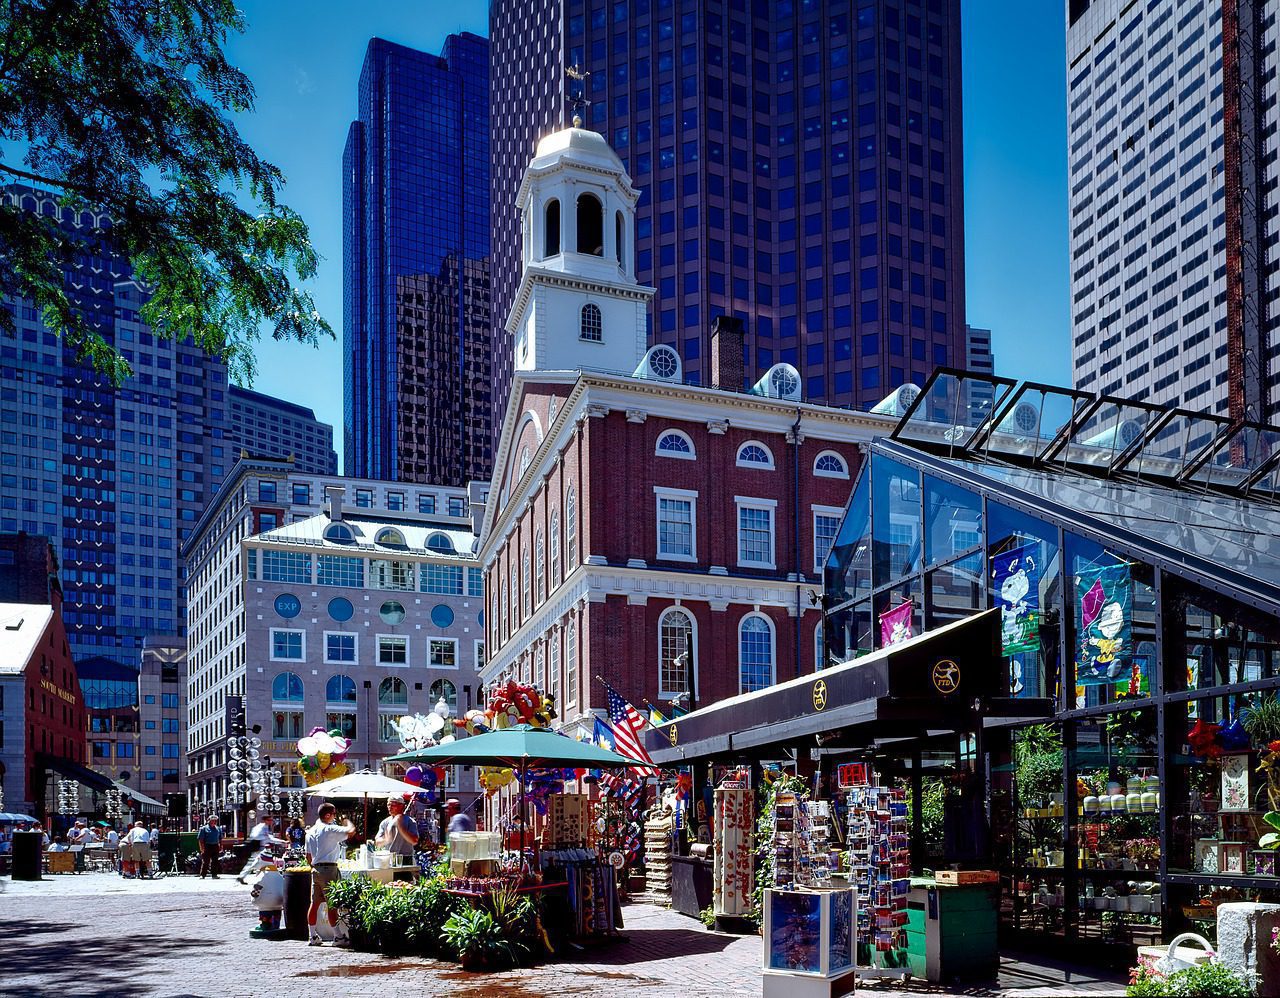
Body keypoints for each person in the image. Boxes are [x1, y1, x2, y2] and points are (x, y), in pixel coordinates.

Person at [305, 803, 354, 947]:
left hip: (316, 869)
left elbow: (308, 856)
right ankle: (338, 937)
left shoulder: (311, 831)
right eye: (334, 814)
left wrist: (314, 867)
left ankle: (312, 935)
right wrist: (346, 820)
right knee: (332, 904)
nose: (335, 816)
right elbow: (351, 832)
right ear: (327, 815)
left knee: (315, 903)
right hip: (328, 869)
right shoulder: (330, 829)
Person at [375, 795, 419, 879]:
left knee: (405, 886)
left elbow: (414, 841)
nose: (389, 807)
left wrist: (400, 827)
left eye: (393, 805)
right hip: (388, 861)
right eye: (388, 805)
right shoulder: (385, 822)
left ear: (401, 806)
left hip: (405, 860)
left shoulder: (410, 821)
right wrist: (386, 839)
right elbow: (377, 843)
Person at [238, 815, 286, 884]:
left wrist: (281, 841)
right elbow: (256, 836)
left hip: (259, 847)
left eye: (271, 820)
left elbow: (269, 838)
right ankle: (243, 876)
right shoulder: (261, 827)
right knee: (254, 862)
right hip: (256, 847)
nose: (271, 821)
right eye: (269, 820)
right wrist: (265, 838)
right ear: (265, 820)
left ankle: (243, 876)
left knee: (254, 863)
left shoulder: (264, 827)